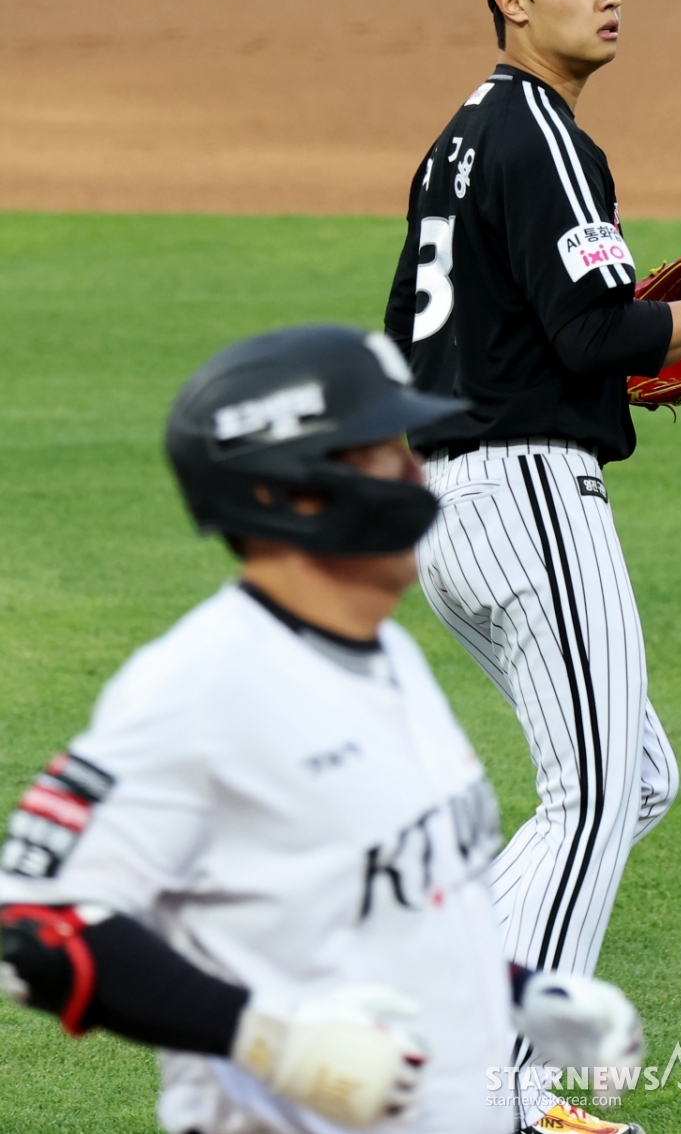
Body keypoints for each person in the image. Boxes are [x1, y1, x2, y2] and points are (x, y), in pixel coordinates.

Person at [384, 0, 681, 1130]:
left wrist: (578, 363)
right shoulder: (544, 137)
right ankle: (502, 1099)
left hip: (456, 503)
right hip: (528, 493)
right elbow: (594, 332)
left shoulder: (459, 143)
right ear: (511, 0)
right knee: (589, 793)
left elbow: (446, 337)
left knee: (632, 776)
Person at [0, 324, 643, 1134]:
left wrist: (517, 992)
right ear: (293, 492)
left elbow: (396, 908)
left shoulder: (387, 659)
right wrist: (274, 1044)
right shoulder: (202, 688)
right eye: (383, 455)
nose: (419, 475)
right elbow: (34, 927)